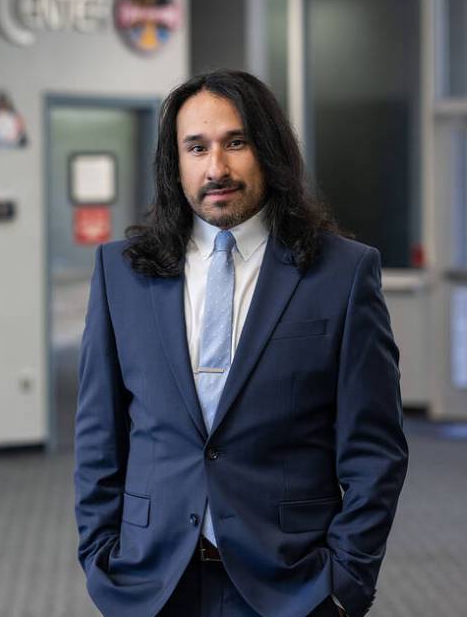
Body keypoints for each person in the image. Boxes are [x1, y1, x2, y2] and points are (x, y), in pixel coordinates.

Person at [74, 69, 408, 617]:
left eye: (236, 143)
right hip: (151, 582)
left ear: (269, 151)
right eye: (196, 147)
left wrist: (346, 580)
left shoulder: (343, 274)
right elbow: (98, 435)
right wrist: (99, 556)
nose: (216, 168)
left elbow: (375, 450)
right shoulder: (121, 274)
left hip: (291, 585)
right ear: (174, 163)